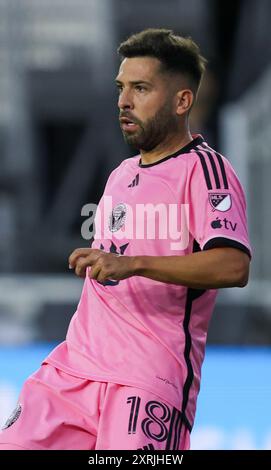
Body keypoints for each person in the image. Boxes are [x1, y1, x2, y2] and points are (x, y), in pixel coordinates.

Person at [0, 28, 251, 450]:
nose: (123, 101)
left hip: (146, 379)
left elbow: (233, 265)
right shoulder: (121, 174)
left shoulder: (206, 171)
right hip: (73, 372)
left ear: (181, 101)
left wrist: (133, 263)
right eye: (121, 88)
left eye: (140, 88)